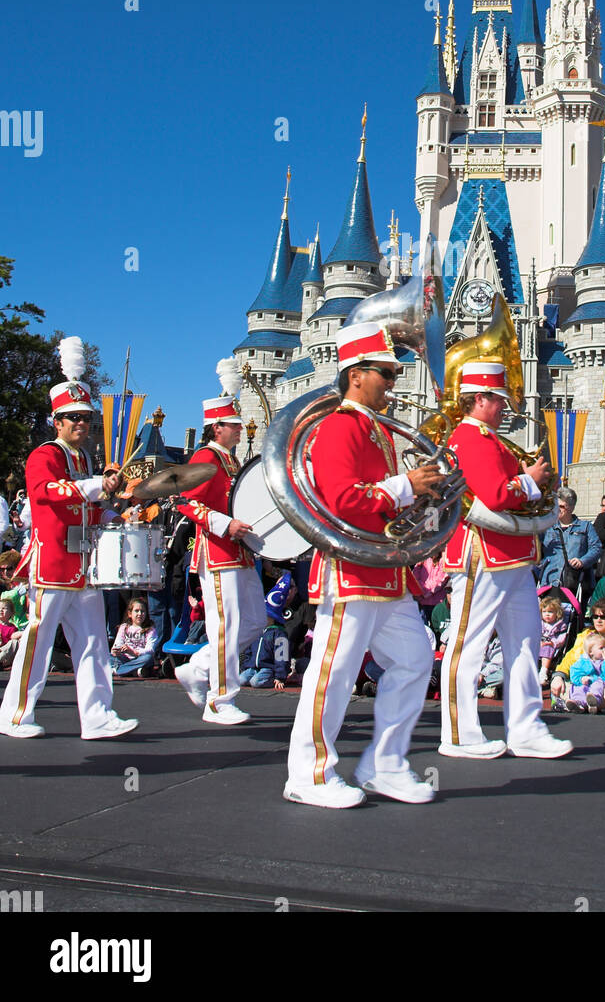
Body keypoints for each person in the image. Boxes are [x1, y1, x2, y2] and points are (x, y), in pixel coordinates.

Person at [284, 322, 443, 808]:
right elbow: (340, 499)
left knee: (416, 660)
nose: (394, 384)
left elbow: (382, 501)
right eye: (387, 374)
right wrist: (405, 487)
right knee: (333, 673)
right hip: (349, 570)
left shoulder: (377, 430)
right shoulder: (337, 425)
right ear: (356, 374)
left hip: (385, 570)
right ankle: (309, 774)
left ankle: (385, 764)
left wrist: (423, 503)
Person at [438, 360, 571, 760]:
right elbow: (496, 495)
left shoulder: (489, 439)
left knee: (525, 644)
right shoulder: (470, 438)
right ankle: (459, 734)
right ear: (479, 399)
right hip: (482, 554)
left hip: (510, 556)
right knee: (469, 645)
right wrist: (531, 478)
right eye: (498, 400)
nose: (505, 408)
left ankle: (526, 728)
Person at [0, 362, 138, 740]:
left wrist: (116, 512)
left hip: (85, 565)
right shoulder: (44, 455)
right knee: (38, 641)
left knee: (94, 643)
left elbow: (88, 507)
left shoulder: (85, 460)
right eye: (73, 417)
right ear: (56, 421)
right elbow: (46, 492)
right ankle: (14, 715)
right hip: (53, 564)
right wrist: (95, 487)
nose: (81, 423)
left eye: (85, 417)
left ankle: (97, 717)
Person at [175, 395, 266, 726]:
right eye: (234, 425)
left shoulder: (230, 460)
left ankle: (198, 667)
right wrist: (224, 524)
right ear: (217, 428)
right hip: (216, 552)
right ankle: (219, 700)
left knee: (255, 621)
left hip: (240, 552)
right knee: (225, 625)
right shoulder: (205, 457)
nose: (240, 430)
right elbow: (186, 502)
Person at [550, 598, 605, 713]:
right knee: (560, 684)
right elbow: (570, 659)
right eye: (595, 617)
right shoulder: (586, 635)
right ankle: (589, 704)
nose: (598, 620)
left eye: (603, 617)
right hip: (585, 684)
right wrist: (559, 676)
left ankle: (583, 704)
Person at [536, 487, 601, 611]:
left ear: (571, 507)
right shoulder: (546, 527)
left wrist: (582, 561)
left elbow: (596, 548)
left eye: (561, 506)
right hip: (550, 580)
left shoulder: (585, 527)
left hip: (575, 582)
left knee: (572, 617)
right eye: (555, 506)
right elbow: (535, 546)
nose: (557, 510)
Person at [562, 630, 605, 712]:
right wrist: (581, 679)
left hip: (602, 681)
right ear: (591, 652)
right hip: (587, 681)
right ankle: (577, 703)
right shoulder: (583, 661)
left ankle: (593, 702)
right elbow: (574, 672)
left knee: (597, 685)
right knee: (579, 688)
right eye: (601, 648)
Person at [110, 596, 159, 678]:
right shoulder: (124, 627)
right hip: (124, 659)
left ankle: (118, 671)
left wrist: (133, 652)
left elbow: (150, 650)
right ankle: (135, 671)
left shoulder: (150, 630)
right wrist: (115, 651)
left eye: (142, 611)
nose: (140, 614)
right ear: (130, 614)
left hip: (139, 659)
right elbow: (117, 644)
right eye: (136, 611)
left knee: (148, 658)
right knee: (108, 656)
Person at [538, 595, 569, 685]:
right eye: (544, 612)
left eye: (550, 612)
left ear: (557, 613)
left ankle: (543, 672)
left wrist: (553, 643)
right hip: (539, 643)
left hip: (551, 644)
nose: (547, 614)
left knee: (547, 648)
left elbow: (561, 638)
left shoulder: (560, 625)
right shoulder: (540, 623)